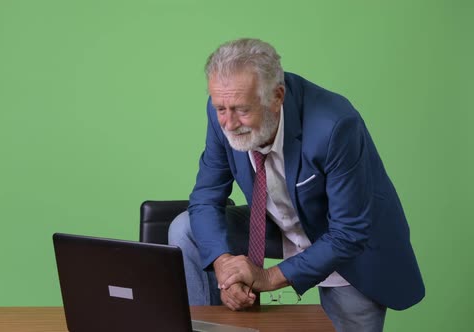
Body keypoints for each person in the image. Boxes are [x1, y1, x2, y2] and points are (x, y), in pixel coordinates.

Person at [168, 38, 425, 332]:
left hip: (343, 240)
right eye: (221, 108)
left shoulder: (335, 125)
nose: (228, 122)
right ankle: (202, 326)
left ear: (277, 97)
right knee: (185, 228)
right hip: (275, 223)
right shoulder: (224, 110)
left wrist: (267, 277)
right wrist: (223, 264)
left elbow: (348, 231)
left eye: (241, 110)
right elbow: (205, 198)